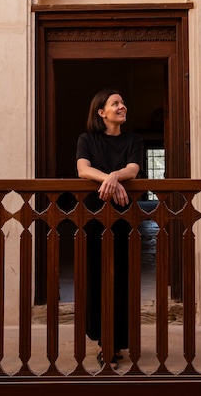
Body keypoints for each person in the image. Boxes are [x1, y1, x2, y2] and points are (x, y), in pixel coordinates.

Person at [76, 89, 142, 370]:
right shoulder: (87, 139)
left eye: (123, 102)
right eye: (115, 103)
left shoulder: (133, 139)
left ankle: (118, 341)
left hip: (124, 214)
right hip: (93, 214)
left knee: (122, 276)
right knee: (97, 275)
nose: (122, 106)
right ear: (101, 112)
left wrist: (114, 177)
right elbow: (82, 169)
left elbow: (133, 169)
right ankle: (104, 342)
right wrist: (111, 181)